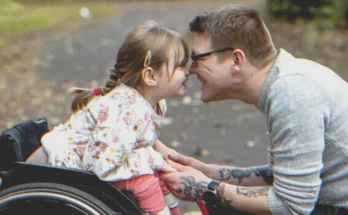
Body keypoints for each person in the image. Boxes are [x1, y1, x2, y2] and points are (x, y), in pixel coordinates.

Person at [161, 5, 348, 215]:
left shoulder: (293, 93)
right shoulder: (285, 81)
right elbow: (277, 176)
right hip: (330, 204)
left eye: (198, 59)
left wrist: (206, 187)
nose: (191, 70)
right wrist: (205, 171)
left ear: (236, 60)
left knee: (224, 205)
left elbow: (292, 205)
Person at [28, 20, 190, 215]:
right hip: (52, 172)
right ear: (150, 77)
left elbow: (136, 135)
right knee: (147, 180)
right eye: (180, 66)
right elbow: (102, 164)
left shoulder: (152, 103)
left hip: (84, 166)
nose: (188, 71)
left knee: (158, 176)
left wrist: (160, 150)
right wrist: (152, 158)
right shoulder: (124, 111)